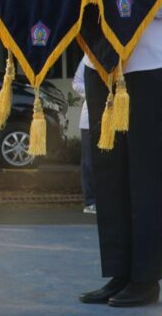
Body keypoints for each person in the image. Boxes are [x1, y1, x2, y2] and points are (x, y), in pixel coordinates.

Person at [76, 0, 162, 308]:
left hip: (148, 66)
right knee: (109, 173)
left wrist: (133, 9)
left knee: (146, 175)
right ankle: (118, 272)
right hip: (102, 66)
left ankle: (146, 278)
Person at [70, 58, 95, 215]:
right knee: (89, 161)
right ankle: (91, 201)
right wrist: (96, 92)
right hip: (89, 120)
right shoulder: (88, 57)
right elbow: (76, 83)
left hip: (116, 118)